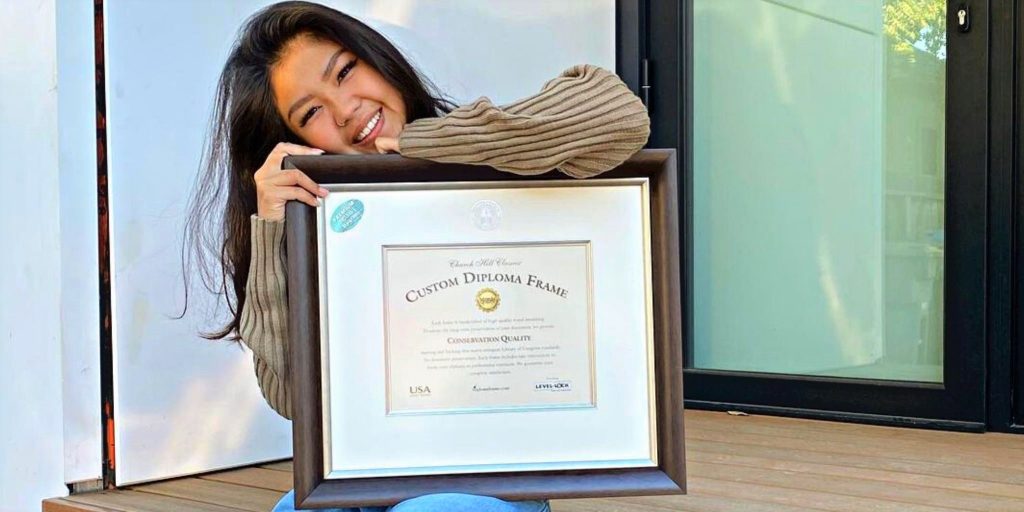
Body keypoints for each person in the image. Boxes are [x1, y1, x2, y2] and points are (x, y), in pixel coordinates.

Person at [183, 2, 650, 511]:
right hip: (372, 477)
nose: (344, 110)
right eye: (311, 112)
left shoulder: (491, 150)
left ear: (377, 58)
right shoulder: (325, 221)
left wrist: (417, 146)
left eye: (344, 71)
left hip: (495, 478)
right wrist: (273, 229)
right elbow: (293, 401)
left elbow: (617, 112)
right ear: (293, 139)